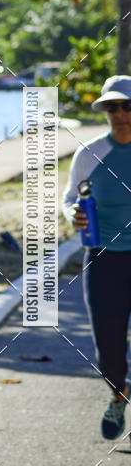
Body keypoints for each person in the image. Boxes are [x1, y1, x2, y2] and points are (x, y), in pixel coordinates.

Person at [63, 75, 131, 440]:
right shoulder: (90, 154)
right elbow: (70, 198)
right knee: (108, 345)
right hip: (104, 258)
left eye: (127, 106)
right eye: (112, 107)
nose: (119, 114)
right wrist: (72, 214)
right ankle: (118, 395)